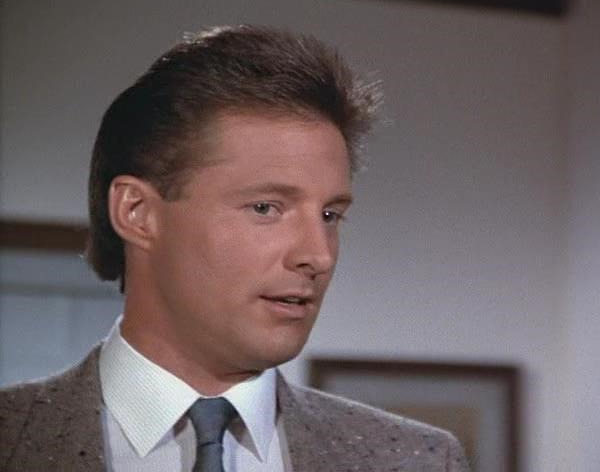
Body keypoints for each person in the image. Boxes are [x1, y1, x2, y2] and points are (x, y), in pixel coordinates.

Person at [0, 25, 469, 472]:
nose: (318, 256)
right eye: (265, 208)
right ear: (137, 212)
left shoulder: (420, 461)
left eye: (330, 215)